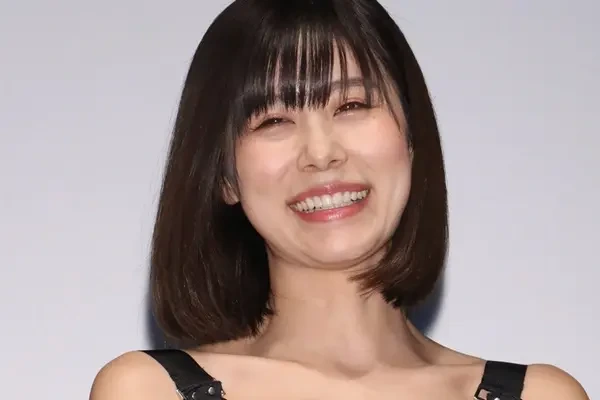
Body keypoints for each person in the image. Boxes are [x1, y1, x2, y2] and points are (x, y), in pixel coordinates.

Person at [90, 0, 589, 399]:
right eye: (273, 120)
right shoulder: (150, 390)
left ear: (412, 138)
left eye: (351, 105)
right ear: (224, 177)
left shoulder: (541, 395)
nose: (321, 153)